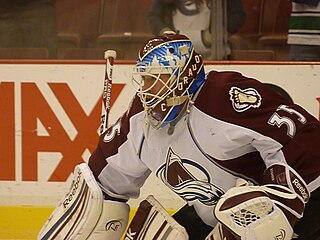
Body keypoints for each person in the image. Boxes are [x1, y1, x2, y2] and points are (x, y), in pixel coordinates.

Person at [38, 33, 320, 240]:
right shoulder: (140, 120)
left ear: (182, 76)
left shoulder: (222, 98)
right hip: (218, 217)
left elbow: (303, 139)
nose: (146, 89)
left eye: (155, 78)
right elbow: (103, 189)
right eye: (144, 78)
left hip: (304, 206)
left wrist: (278, 208)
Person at [147, 0, 246, 59]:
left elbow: (238, 15)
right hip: (177, 56)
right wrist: (166, 33)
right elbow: (154, 16)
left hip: (214, 56)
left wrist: (217, 35)